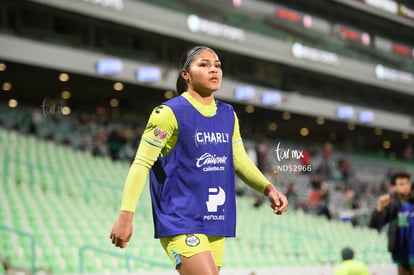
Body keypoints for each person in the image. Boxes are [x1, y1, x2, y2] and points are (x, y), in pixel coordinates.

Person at [109, 46, 288, 275]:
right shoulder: (168, 113)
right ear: (186, 74)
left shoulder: (228, 114)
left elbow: (238, 159)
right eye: (203, 64)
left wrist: (268, 188)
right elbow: (141, 163)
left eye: (217, 65)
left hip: (216, 218)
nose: (213, 70)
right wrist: (126, 216)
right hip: (180, 218)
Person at [369, 171, 414, 275]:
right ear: (394, 187)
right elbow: (374, 226)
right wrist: (379, 208)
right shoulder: (391, 204)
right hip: (401, 254)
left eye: (407, 183)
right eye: (401, 184)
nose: (406, 186)